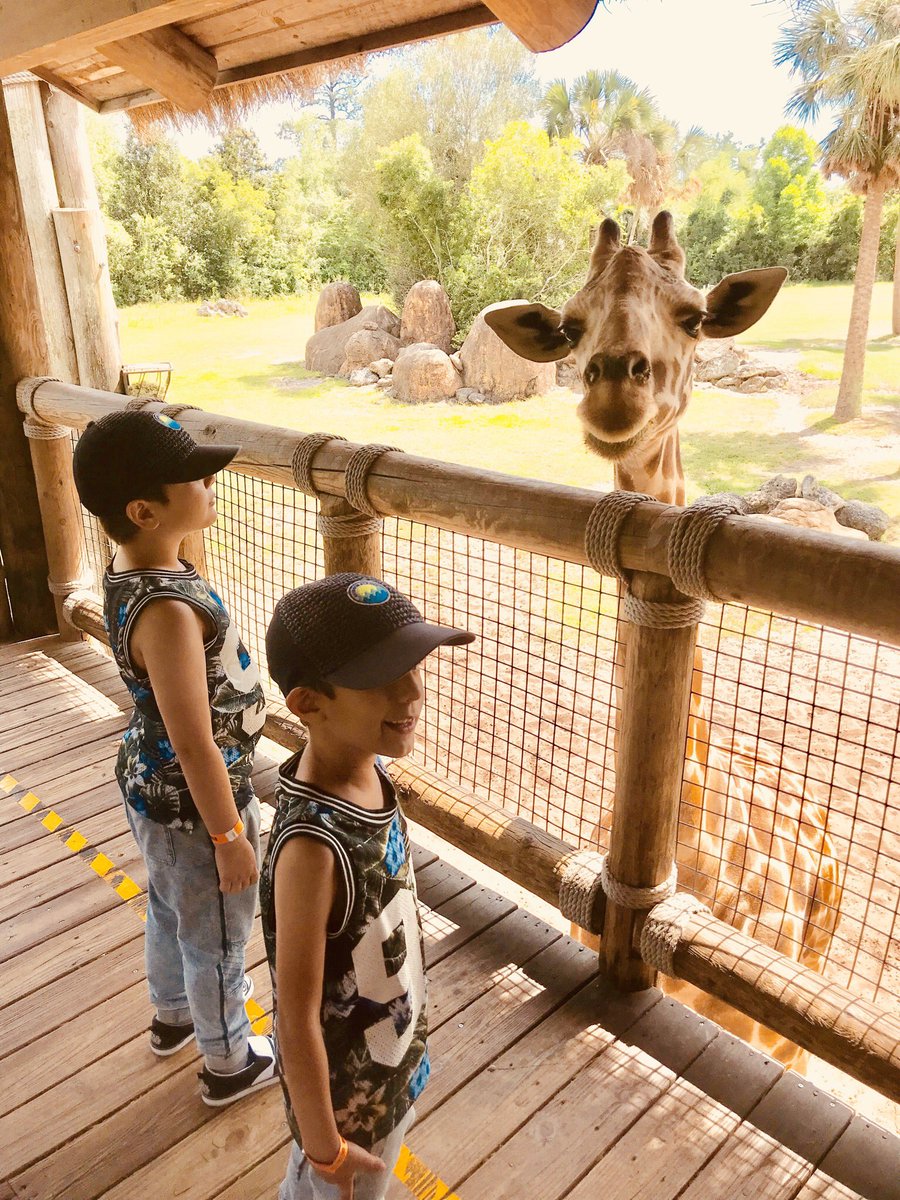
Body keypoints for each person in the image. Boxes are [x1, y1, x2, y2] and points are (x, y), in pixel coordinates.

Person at [72, 409, 277, 1106]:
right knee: (218, 934)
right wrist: (228, 837)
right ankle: (228, 1062)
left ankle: (173, 1016)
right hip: (195, 807)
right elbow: (192, 741)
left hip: (152, 788)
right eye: (196, 477)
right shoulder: (164, 610)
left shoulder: (139, 567)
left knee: (169, 906)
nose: (211, 483)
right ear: (144, 509)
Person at [259, 573, 474, 1200]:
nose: (413, 691)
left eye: (414, 665)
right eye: (382, 678)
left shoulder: (369, 771)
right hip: (344, 1117)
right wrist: (324, 1149)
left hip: (388, 1072)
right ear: (307, 703)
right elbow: (294, 1021)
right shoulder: (311, 851)